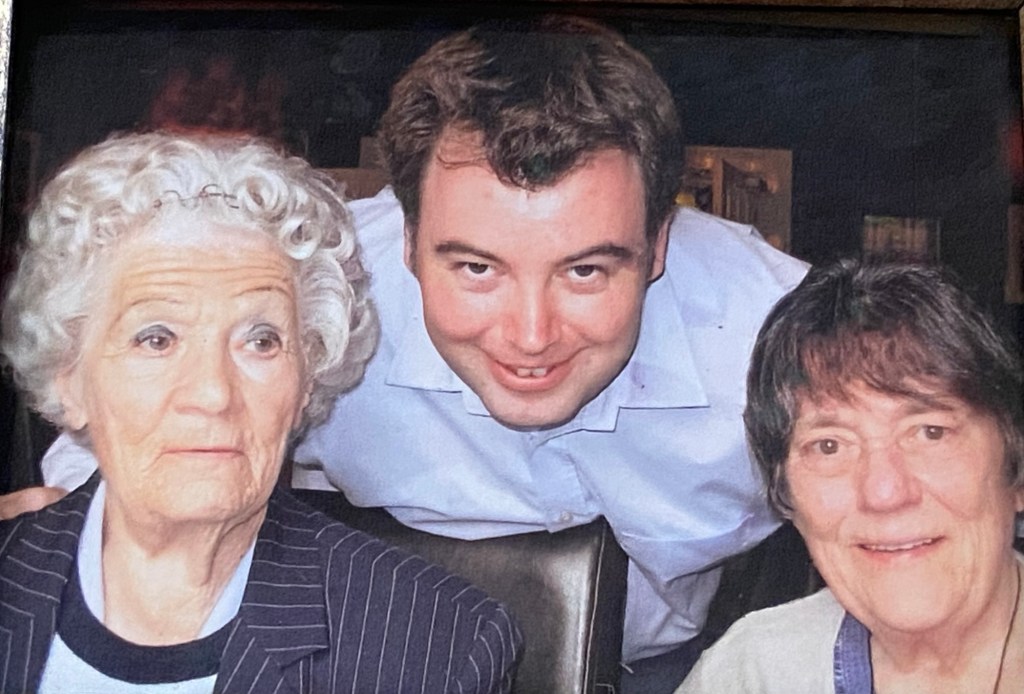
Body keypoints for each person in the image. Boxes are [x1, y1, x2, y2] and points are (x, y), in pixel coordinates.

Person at [11, 16, 806, 691]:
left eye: (586, 271)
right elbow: (148, 405)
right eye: (477, 268)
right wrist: (69, 523)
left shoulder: (778, 330)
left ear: (659, 244)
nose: (531, 335)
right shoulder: (312, 285)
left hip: (663, 670)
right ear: (406, 238)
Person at [0, 131, 521, 693]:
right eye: (156, 339)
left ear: (307, 380)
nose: (213, 393)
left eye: (261, 341)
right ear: (69, 380)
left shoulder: (433, 648)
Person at [678, 259, 1024, 693]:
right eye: (830, 446)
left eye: (930, 432)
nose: (884, 492)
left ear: (1015, 466)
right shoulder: (752, 673)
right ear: (787, 496)